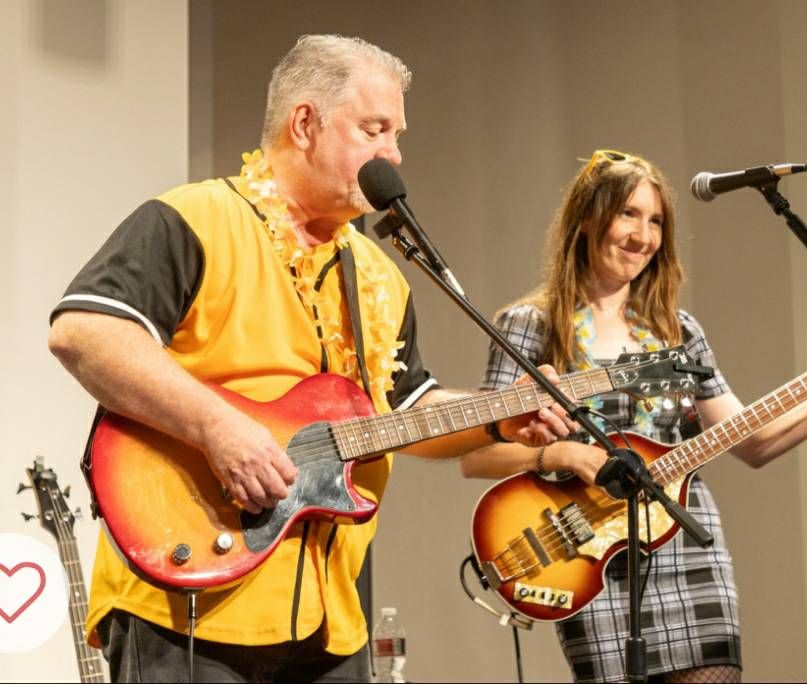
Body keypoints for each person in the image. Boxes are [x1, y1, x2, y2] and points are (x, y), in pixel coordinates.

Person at [47, 35, 572, 682]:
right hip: (187, 598)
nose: (394, 154)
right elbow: (85, 332)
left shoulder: (381, 275)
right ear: (304, 124)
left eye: (397, 135)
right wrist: (218, 428)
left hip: (329, 624)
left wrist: (498, 418)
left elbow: (407, 410)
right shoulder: (196, 218)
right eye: (374, 129)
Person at [460, 149, 807, 683]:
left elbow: (753, 442)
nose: (643, 236)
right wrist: (565, 454)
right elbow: (477, 456)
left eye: (655, 222)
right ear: (586, 220)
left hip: (687, 547)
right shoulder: (530, 326)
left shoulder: (679, 331)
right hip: (588, 553)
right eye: (628, 214)